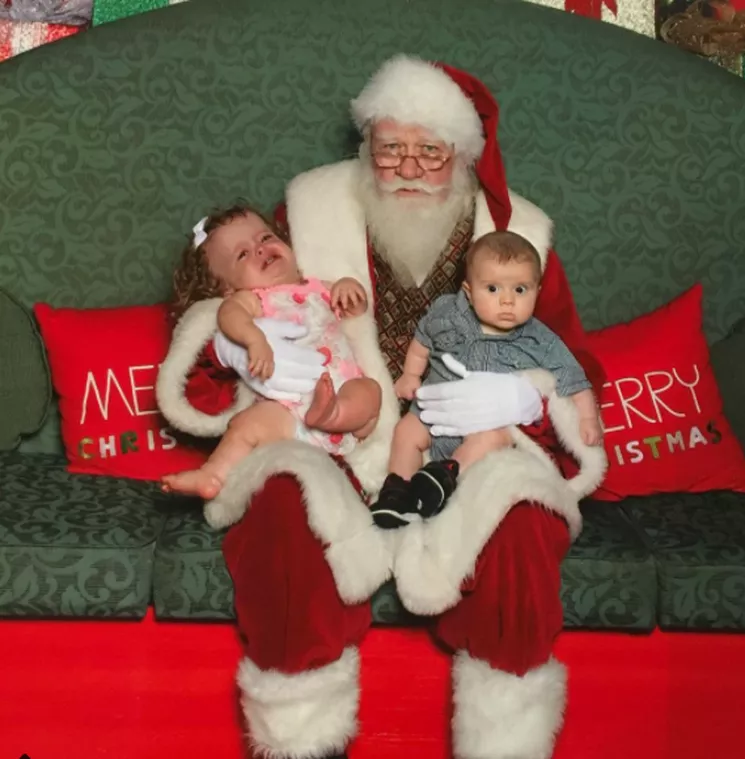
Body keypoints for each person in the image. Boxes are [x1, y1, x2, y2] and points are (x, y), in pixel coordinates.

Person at [157, 55, 607, 759]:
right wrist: (249, 357)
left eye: (430, 151)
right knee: (281, 501)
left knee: (523, 519)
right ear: (365, 147)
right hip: (324, 433)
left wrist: (527, 398)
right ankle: (303, 742)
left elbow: (572, 359)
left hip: (470, 443)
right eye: (389, 147)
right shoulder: (309, 209)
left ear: (462, 156)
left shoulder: (524, 236)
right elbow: (236, 296)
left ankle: (506, 743)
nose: (407, 167)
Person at [371, 229, 602, 528]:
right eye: (493, 289)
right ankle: (396, 493)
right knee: (406, 431)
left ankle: (444, 477)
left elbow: (573, 378)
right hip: (432, 415)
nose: (507, 301)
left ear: (537, 290)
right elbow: (423, 339)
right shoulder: (448, 314)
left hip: (484, 426)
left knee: (495, 439)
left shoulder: (540, 339)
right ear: (468, 291)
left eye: (520, 290)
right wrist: (410, 374)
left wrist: (587, 418)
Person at [160, 204, 381, 500]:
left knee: (370, 391)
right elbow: (229, 317)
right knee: (246, 426)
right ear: (225, 288)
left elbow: (356, 309)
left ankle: (331, 413)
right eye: (243, 254)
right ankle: (213, 474)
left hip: (342, 394)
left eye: (264, 238)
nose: (260, 250)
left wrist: (349, 288)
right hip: (286, 412)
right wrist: (253, 339)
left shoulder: (318, 287)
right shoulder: (251, 300)